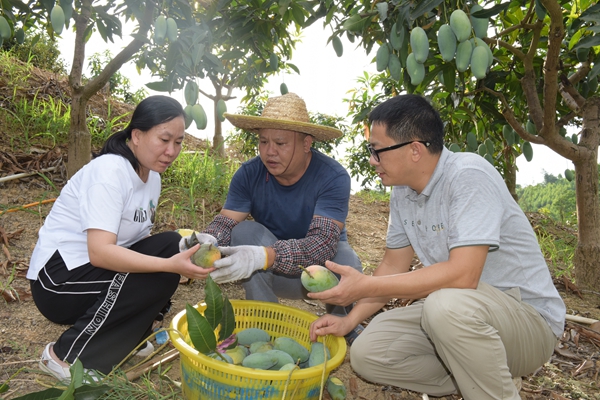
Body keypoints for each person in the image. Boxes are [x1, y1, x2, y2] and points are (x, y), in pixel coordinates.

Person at [308, 94, 565, 399]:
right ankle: (488, 375)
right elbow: (393, 266)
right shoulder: (403, 192)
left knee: (443, 305)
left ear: (414, 150)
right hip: (463, 312)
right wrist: (349, 319)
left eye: (376, 151)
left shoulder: (468, 176)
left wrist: (364, 285)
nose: (371, 160)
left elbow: (463, 276)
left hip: (527, 322)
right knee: (370, 354)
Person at [27, 95, 211, 382]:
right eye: (164, 139)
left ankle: (128, 336)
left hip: (91, 273)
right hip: (58, 282)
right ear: (137, 136)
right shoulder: (110, 172)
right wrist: (169, 266)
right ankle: (64, 356)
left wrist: (176, 258)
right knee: (159, 270)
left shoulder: (152, 177)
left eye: (178, 142)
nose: (172, 150)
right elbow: (101, 253)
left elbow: (141, 241)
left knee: (168, 245)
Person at [181, 92, 364, 343]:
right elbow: (227, 222)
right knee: (244, 232)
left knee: (346, 260)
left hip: (317, 272)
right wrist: (206, 240)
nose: (270, 152)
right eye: (263, 142)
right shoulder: (249, 174)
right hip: (272, 273)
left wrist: (264, 256)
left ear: (306, 143)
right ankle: (265, 324)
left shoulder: (332, 177)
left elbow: (322, 243)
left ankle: (343, 318)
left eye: (280, 143)